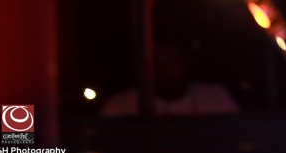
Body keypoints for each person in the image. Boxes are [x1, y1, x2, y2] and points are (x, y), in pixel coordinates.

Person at [100, 40, 240, 117]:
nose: (164, 69)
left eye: (172, 61)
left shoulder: (217, 99)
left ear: (187, 63)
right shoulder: (120, 107)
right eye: (156, 62)